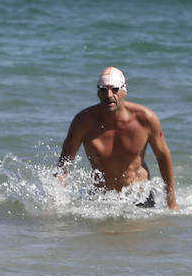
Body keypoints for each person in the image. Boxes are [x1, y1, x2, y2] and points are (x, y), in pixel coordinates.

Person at [58, 67, 178, 209]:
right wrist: (55, 201)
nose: (109, 95)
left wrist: (171, 201)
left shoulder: (145, 119)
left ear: (124, 91)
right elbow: (64, 164)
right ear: (97, 92)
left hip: (139, 196)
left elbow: (163, 156)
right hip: (102, 198)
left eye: (114, 89)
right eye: (103, 89)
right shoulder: (83, 122)